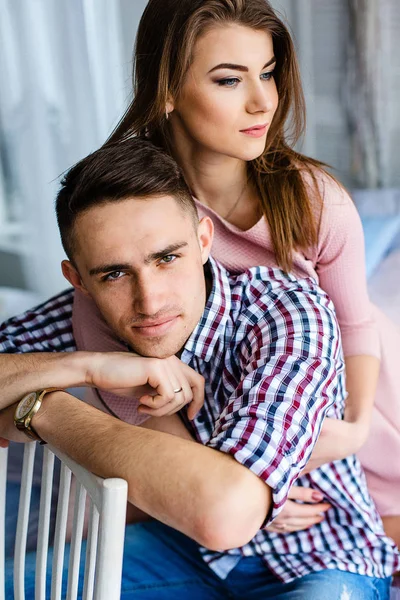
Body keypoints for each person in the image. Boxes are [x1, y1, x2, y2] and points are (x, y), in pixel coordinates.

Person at [1, 138, 398, 599]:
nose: (150, 301)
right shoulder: (82, 319)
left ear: (204, 241)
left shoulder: (288, 312)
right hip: (180, 547)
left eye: (167, 258)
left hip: (317, 556)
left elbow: (226, 515)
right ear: (79, 281)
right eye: (114, 274)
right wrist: (87, 365)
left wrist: (44, 412)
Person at [71, 0, 400, 544]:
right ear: (168, 88)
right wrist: (241, 483)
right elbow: (113, 359)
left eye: (268, 73)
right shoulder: (128, 207)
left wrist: (355, 428)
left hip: (352, 400)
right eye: (229, 80)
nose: (262, 101)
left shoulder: (315, 200)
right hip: (233, 424)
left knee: (358, 529)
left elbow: (356, 325)